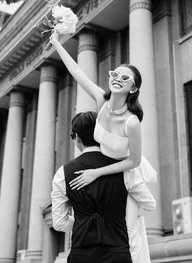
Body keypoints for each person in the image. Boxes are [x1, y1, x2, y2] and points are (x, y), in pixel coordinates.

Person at [50, 33, 157, 262]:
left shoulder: (132, 122)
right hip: (104, 166)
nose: (117, 78)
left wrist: (95, 173)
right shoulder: (101, 100)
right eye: (115, 74)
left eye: (125, 78)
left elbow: (133, 161)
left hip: (122, 167)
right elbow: (77, 73)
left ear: (133, 89)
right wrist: (57, 43)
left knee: (126, 236)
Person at [51, 111, 156, 263]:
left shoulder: (63, 174)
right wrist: (119, 219)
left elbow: (59, 222)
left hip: (81, 255)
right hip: (117, 254)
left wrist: (83, 224)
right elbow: (149, 204)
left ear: (77, 138)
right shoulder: (124, 167)